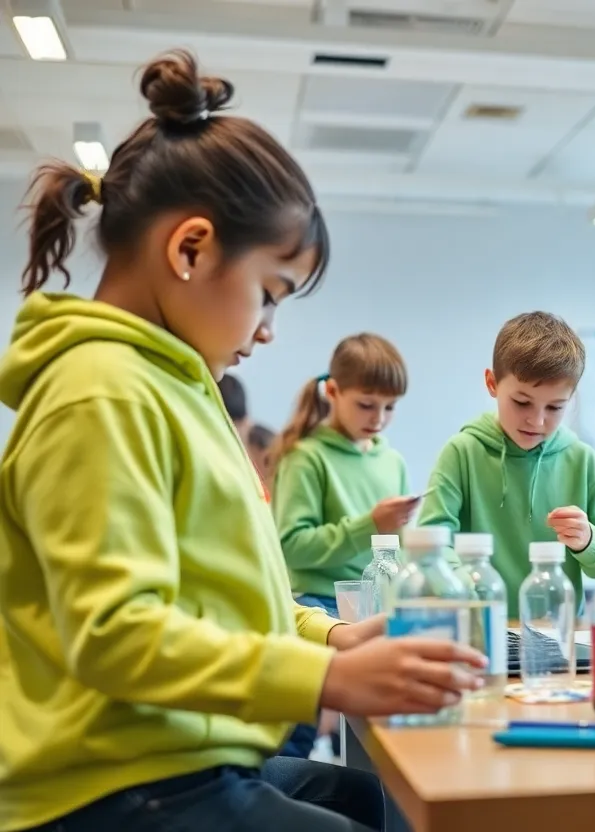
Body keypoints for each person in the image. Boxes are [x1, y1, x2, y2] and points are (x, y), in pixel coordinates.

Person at [0, 50, 484, 832]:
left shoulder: (175, 389)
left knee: (368, 798)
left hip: (174, 758)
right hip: (109, 785)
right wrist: (327, 676)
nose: (266, 330)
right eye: (269, 293)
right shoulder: (99, 390)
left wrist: (337, 634)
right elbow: (116, 636)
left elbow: (231, 597)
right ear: (190, 249)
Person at [416, 311, 595, 616]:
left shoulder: (582, 460)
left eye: (555, 407)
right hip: (477, 630)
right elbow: (431, 543)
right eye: (521, 402)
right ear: (492, 383)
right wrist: (466, 581)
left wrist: (590, 541)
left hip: (558, 635)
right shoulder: (461, 452)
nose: (537, 420)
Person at [271, 334, 415, 618]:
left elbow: (401, 549)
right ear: (333, 392)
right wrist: (370, 525)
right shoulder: (306, 457)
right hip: (318, 606)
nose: (378, 418)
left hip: (381, 605)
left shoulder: (393, 461)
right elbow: (291, 546)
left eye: (390, 407)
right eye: (366, 405)